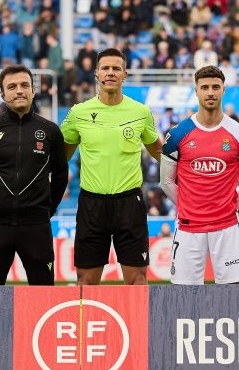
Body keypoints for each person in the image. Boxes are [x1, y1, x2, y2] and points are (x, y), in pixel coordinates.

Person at [60, 48, 162, 285]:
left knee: (137, 280)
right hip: (91, 204)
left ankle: (136, 323)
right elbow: (60, 155)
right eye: (105, 68)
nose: (110, 73)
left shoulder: (140, 112)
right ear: (96, 73)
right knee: (85, 282)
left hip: (129, 203)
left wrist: (183, 174)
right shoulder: (78, 113)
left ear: (125, 74)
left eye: (116, 68)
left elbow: (158, 150)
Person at [0, 64, 69, 285]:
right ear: (3, 94)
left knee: (43, 295)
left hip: (37, 225)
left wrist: (46, 209)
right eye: (12, 87)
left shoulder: (51, 131)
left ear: (33, 90)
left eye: (25, 85)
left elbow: (61, 176)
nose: (19, 90)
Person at [159, 66, 239, 285]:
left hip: (227, 226)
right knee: (184, 296)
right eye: (204, 87)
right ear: (196, 91)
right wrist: (188, 206)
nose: (210, 92)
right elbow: (165, 181)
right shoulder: (177, 134)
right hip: (187, 227)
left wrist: (230, 206)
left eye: (215, 87)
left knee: (232, 294)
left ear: (224, 90)